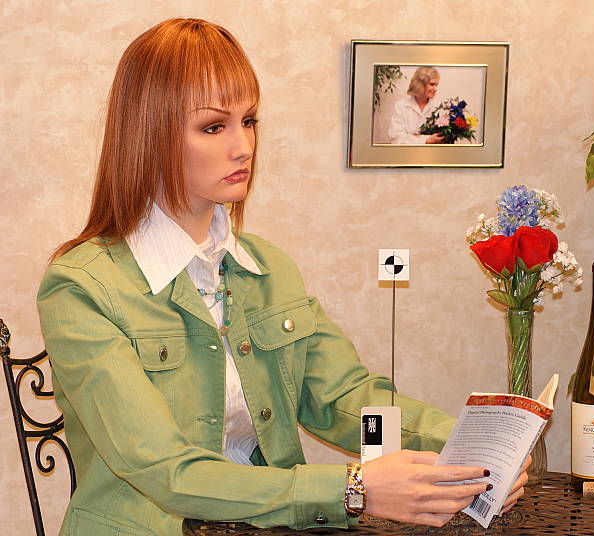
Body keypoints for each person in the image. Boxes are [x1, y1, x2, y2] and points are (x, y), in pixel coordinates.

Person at [36, 18, 529, 536]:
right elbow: (165, 470)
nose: (243, 146)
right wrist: (354, 488)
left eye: (249, 121)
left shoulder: (267, 269)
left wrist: (469, 447)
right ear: (149, 134)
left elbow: (344, 400)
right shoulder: (82, 288)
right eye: (213, 127)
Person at [387, 66, 445, 144]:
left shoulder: (439, 107)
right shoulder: (401, 106)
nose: (435, 89)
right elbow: (396, 139)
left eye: (436, 85)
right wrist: (426, 140)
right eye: (432, 84)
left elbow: (442, 138)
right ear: (420, 84)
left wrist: (413, 137)